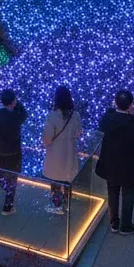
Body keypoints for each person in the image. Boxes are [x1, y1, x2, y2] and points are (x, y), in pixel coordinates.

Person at [95, 89, 134, 234]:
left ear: (115, 103)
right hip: (130, 165)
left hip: (110, 163)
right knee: (128, 194)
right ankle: (126, 225)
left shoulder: (107, 119)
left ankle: (114, 223)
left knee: (112, 192)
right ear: (131, 105)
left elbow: (101, 125)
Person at [42, 85, 82, 215]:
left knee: (55, 180)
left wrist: (45, 142)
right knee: (67, 179)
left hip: (55, 154)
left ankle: (57, 204)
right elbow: (79, 133)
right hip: (70, 153)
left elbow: (47, 137)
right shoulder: (75, 115)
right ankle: (68, 202)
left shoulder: (53, 116)